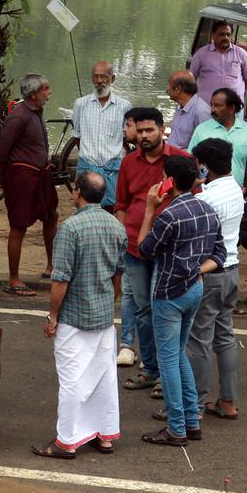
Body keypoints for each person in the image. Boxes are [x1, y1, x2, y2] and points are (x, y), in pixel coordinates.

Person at [33, 171, 126, 459]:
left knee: (72, 379)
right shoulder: (116, 226)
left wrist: (52, 316)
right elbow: (118, 273)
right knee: (104, 376)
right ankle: (104, 434)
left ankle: (66, 441)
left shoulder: (70, 229)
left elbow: (60, 280)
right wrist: (112, 299)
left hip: (75, 316)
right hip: (103, 314)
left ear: (77, 193)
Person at [137, 155, 226, 446]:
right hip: (194, 289)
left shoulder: (169, 215)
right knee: (178, 353)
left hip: (169, 293)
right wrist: (195, 271)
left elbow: (144, 248)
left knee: (168, 361)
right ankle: (191, 420)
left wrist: (150, 210)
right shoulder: (206, 209)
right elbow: (219, 255)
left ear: (170, 182)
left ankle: (177, 427)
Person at [116, 108, 192, 393]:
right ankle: (149, 368)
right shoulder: (128, 163)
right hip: (135, 249)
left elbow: (192, 204)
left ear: (163, 129)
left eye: (150, 130)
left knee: (166, 312)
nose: (144, 136)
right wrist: (124, 235)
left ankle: (167, 374)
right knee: (144, 311)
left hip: (170, 253)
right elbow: (121, 204)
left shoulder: (181, 161)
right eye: (140, 130)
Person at [188, 138, 245, 420]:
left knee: (198, 340)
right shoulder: (235, 189)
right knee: (225, 338)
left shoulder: (204, 199)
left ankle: (194, 406)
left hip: (209, 273)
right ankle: (227, 401)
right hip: (232, 269)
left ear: (203, 167)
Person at [0, 73, 58, 296]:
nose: (49, 94)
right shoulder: (18, 116)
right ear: (33, 94)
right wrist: (3, 178)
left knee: (51, 216)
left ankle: (52, 266)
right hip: (23, 177)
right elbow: (0, 153)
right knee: (19, 226)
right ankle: (13, 279)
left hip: (41, 175)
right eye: (46, 90)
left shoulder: (35, 111)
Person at [70, 61, 132, 210]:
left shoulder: (124, 106)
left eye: (104, 77)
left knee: (112, 207)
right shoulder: (81, 104)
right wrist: (88, 154)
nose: (99, 81)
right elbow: (77, 136)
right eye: (95, 77)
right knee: (84, 207)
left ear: (113, 79)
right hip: (87, 165)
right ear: (92, 79)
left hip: (113, 167)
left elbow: (126, 137)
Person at [189, 88, 247, 192]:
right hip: (206, 193)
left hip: (235, 194)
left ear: (231, 108)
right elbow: (191, 161)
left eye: (218, 106)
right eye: (212, 105)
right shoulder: (201, 130)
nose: (212, 109)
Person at [189, 21, 247, 114]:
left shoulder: (240, 53)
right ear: (213, 35)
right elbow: (191, 79)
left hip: (233, 108)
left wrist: (238, 93)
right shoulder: (201, 54)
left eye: (228, 34)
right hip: (207, 108)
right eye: (221, 34)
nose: (225, 38)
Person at [117, 113, 140, 366]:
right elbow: (121, 203)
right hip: (132, 241)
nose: (127, 130)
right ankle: (127, 344)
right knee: (129, 295)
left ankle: (150, 353)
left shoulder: (173, 159)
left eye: (129, 125)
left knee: (152, 300)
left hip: (157, 243)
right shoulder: (128, 161)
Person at [166, 70, 212, 149]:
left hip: (185, 158)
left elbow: (206, 144)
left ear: (178, 89)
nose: (167, 88)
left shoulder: (200, 111)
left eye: (169, 84)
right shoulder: (180, 106)